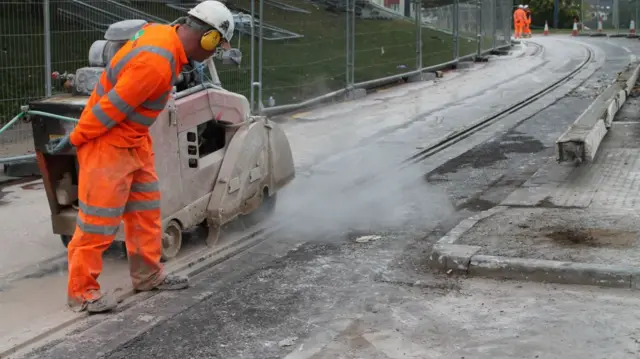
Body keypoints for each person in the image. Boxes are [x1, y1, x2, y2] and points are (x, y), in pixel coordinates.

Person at [47, 0, 235, 314]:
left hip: (133, 139)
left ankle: (147, 274)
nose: (214, 53)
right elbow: (111, 109)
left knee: (146, 211)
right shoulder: (157, 62)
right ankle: (82, 293)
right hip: (109, 143)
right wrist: (77, 137)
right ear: (207, 38)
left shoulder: (164, 39)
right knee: (97, 224)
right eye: (216, 46)